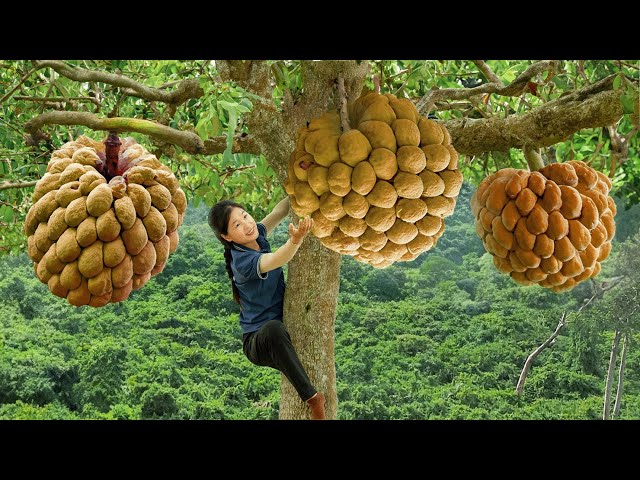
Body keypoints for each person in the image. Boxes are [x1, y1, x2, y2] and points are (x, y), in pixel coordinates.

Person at [208, 196, 325, 420]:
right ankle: (312, 398)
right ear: (227, 237)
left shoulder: (256, 234)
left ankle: (293, 369)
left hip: (278, 331)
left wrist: (295, 189)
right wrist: (295, 240)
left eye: (245, 215)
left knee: (280, 335)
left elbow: (279, 211)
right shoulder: (242, 262)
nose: (247, 224)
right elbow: (276, 259)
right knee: (274, 330)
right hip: (257, 342)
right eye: (237, 225)